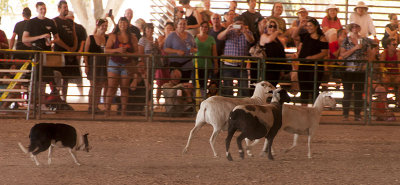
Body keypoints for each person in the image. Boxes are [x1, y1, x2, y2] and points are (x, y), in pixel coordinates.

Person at [22, 1, 63, 113]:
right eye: (41, 9)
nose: (43, 11)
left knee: (44, 80)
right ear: (37, 9)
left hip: (47, 53)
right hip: (36, 53)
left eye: (44, 8)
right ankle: (31, 103)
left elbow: (57, 38)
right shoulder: (31, 22)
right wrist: (40, 37)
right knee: (34, 79)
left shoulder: (50, 22)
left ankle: (42, 104)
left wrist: (51, 41)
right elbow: (25, 39)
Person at [104, 17, 139, 116]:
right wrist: (117, 50)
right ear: (118, 24)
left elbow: (137, 52)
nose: (122, 25)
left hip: (127, 64)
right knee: (111, 87)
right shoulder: (113, 36)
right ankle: (107, 110)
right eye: (121, 23)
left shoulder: (132, 37)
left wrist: (128, 55)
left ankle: (123, 111)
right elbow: (106, 50)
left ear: (127, 24)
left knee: (124, 88)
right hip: (114, 63)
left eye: (124, 23)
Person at [292, 18, 328, 106]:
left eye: (310, 26)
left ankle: (315, 111)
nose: (308, 28)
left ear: (316, 27)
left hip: (315, 67)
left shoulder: (322, 38)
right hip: (304, 66)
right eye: (307, 26)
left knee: (314, 89)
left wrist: (312, 57)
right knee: (303, 89)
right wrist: (300, 26)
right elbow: (294, 36)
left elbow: (325, 52)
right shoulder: (305, 36)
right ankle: (304, 111)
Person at [339, 23, 372, 121]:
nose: (355, 28)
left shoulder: (364, 40)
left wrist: (367, 59)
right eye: (353, 27)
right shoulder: (346, 40)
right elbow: (343, 55)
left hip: (360, 70)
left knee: (359, 92)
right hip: (348, 70)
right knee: (347, 92)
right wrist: (355, 48)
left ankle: (357, 114)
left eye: (357, 26)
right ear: (350, 28)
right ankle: (345, 114)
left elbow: (369, 53)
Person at [217, 16, 254, 97]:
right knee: (228, 89)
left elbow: (251, 40)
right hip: (228, 65)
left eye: (241, 24)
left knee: (244, 88)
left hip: (241, 66)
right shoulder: (229, 32)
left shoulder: (247, 32)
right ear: (233, 24)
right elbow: (219, 37)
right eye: (237, 24)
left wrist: (244, 31)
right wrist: (227, 29)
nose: (239, 26)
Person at [52, 1, 79, 101]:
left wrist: (74, 48)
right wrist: (68, 48)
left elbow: (75, 35)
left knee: (66, 78)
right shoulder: (54, 21)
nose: (66, 9)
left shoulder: (70, 22)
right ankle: (56, 98)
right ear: (59, 9)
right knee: (58, 76)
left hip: (70, 54)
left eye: (67, 7)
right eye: (64, 7)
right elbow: (56, 38)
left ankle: (64, 99)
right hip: (59, 53)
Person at [84, 18, 108, 114]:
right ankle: (91, 106)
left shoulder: (107, 38)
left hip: (103, 64)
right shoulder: (91, 38)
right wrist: (86, 65)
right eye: (102, 25)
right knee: (93, 85)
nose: (104, 27)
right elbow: (85, 52)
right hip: (93, 64)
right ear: (98, 26)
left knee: (100, 86)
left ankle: (96, 106)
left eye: (106, 26)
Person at [164, 18, 197, 83]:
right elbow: (166, 49)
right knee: (176, 83)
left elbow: (196, 48)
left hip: (188, 63)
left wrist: (193, 50)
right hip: (175, 64)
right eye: (180, 24)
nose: (182, 25)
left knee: (185, 83)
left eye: (184, 24)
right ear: (177, 25)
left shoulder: (190, 35)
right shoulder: (172, 35)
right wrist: (177, 51)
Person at [260, 19, 291, 87]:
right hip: (267, 68)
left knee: (273, 86)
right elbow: (269, 40)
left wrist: (282, 69)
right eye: (270, 26)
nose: (272, 28)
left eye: (274, 27)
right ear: (267, 27)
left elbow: (282, 54)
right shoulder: (264, 36)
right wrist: (276, 32)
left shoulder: (278, 40)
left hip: (277, 68)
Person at [66, 10, 87, 97]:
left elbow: (83, 40)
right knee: (65, 76)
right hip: (66, 54)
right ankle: (63, 96)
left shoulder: (79, 27)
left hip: (76, 54)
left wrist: (80, 52)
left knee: (78, 75)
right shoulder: (63, 26)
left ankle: (81, 94)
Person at [195, 21, 218, 96]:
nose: (204, 28)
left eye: (206, 27)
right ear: (200, 27)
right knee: (195, 83)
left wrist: (216, 65)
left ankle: (203, 99)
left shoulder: (211, 39)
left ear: (208, 29)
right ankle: (196, 100)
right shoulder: (195, 37)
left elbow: (214, 53)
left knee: (204, 83)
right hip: (196, 64)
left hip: (207, 64)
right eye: (202, 26)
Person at [156, 22, 174, 106]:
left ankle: (168, 102)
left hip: (170, 62)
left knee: (170, 82)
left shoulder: (175, 38)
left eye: (171, 28)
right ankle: (157, 102)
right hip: (161, 63)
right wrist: (167, 36)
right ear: (164, 30)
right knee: (159, 83)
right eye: (168, 28)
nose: (169, 30)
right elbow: (159, 46)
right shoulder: (161, 37)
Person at [379, 38, 400, 106]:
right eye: (393, 45)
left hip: (396, 74)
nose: (395, 46)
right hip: (387, 74)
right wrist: (384, 75)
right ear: (388, 45)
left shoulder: (398, 53)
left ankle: (398, 103)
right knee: (386, 81)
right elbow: (381, 66)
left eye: (396, 45)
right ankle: (385, 104)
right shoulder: (384, 53)